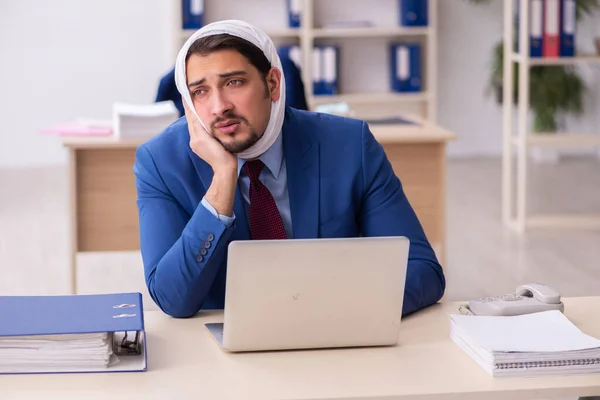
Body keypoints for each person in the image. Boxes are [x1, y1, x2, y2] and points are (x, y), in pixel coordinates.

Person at [133, 20, 445, 318]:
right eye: (200, 91)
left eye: (233, 82)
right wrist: (223, 181)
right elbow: (173, 299)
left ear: (273, 84)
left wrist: (319, 314)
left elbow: (422, 270)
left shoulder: (349, 144)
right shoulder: (160, 162)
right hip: (222, 352)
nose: (219, 106)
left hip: (335, 338)